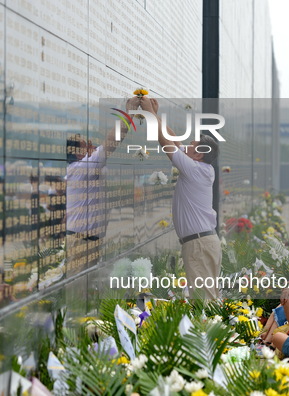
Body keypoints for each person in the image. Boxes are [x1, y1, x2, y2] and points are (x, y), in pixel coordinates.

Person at [139, 96, 221, 299]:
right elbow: (174, 139)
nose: (189, 143)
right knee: (205, 298)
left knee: (204, 302)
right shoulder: (200, 166)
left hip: (199, 244)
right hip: (201, 242)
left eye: (193, 143)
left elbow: (166, 143)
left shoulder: (195, 169)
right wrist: (155, 115)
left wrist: (149, 115)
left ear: (199, 154)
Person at [65, 97, 138, 275]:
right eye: (86, 145)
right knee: (78, 290)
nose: (92, 147)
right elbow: (112, 141)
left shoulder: (86, 168)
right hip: (81, 241)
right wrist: (129, 112)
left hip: (90, 239)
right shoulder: (79, 169)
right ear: (76, 153)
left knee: (87, 290)